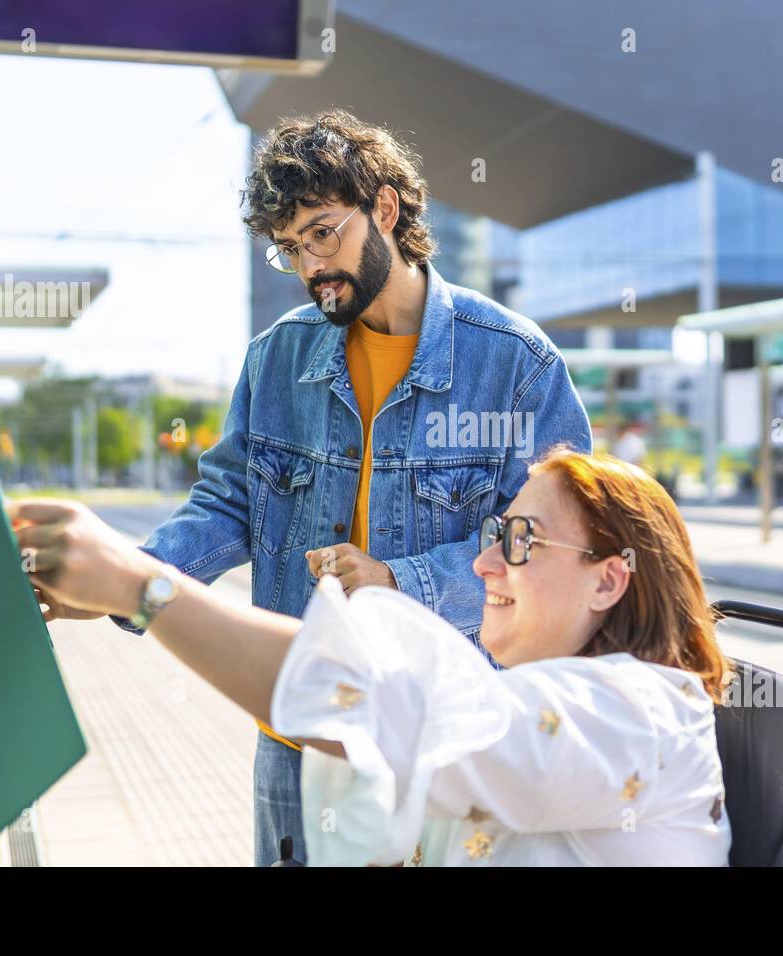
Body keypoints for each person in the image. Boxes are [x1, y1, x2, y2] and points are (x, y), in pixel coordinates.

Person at [37, 110, 592, 865]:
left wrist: (401, 580)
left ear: (386, 210)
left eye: (323, 234)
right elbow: (229, 504)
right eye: (291, 249)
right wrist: (122, 582)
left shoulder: (514, 364)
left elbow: (555, 548)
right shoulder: (277, 357)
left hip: (445, 740)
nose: (310, 266)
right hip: (299, 734)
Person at [13, 448, 732, 866]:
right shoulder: (560, 700)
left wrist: (142, 586)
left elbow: (387, 709)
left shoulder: (637, 711)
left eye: (520, 540)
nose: (483, 564)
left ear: (609, 577)